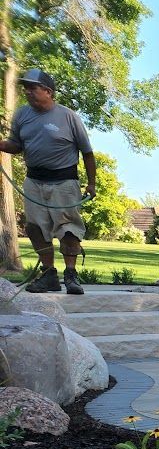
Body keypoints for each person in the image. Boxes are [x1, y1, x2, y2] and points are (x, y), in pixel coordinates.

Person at [0, 69, 96, 294]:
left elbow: (87, 153)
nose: (27, 92)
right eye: (25, 88)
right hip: (34, 181)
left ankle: (71, 275)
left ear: (48, 92)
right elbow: (16, 145)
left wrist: (91, 184)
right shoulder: (22, 115)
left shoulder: (68, 116)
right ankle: (48, 275)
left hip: (64, 181)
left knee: (69, 229)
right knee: (35, 228)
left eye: (32, 87)